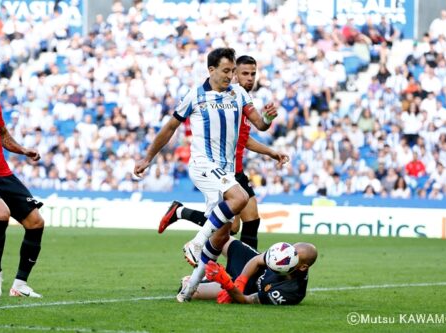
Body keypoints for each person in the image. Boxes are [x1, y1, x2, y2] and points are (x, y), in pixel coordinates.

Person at [133, 48, 277, 302]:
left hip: (226, 170)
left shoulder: (239, 93)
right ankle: (195, 242)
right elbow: (169, 128)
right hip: (203, 165)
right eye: (226, 71)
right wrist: (148, 157)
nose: (230, 76)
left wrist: (267, 117)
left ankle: (189, 290)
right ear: (211, 70)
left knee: (223, 234)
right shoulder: (195, 96)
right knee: (240, 198)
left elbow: (260, 124)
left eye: (233, 71)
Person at [158, 55, 289, 250]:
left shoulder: (243, 101)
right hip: (222, 169)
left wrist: (270, 152)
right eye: (245, 74)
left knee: (250, 220)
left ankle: (244, 271)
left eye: (253, 74)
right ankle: (182, 214)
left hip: (236, 169)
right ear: (234, 75)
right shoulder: (226, 100)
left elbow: (243, 140)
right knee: (230, 227)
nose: (250, 79)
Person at [0, 55, 44, 298]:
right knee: (1, 214)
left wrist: (23, 149)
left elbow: (3, 135)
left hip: (2, 173)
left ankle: (20, 284)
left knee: (36, 222)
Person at [183, 237, 317, 305]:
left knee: (188, 289)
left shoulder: (289, 292)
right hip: (252, 269)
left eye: (295, 255)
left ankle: (210, 277)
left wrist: (228, 284)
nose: (288, 254)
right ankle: (199, 260)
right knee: (221, 237)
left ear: (303, 267)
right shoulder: (284, 252)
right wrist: (241, 281)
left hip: (250, 289)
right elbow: (256, 261)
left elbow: (245, 299)